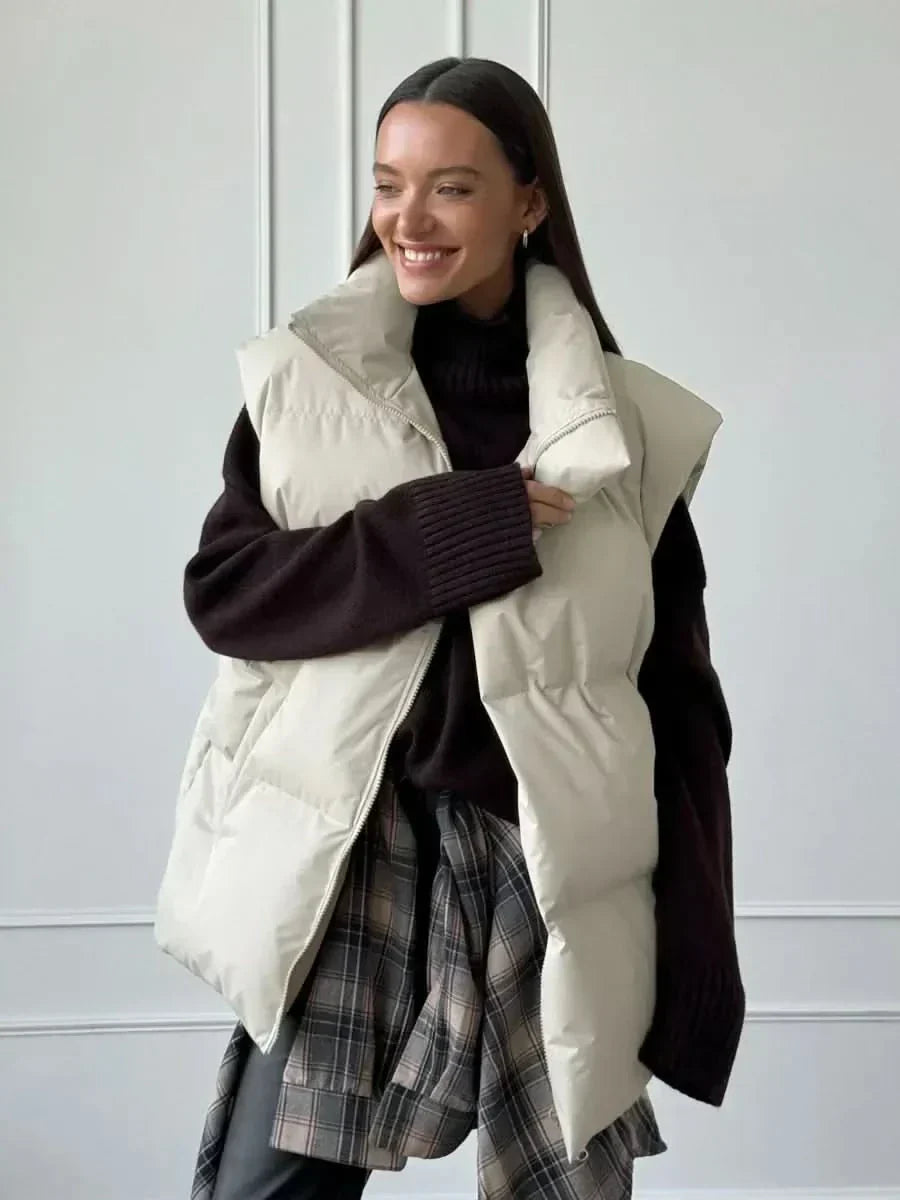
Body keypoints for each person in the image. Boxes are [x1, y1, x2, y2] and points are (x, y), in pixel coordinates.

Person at [155, 56, 744, 1200]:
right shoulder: (307, 390)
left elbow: (680, 704)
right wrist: (443, 532)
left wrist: (700, 938)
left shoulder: (623, 429)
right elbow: (228, 593)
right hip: (351, 844)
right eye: (389, 184)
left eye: (452, 188)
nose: (408, 219)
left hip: (546, 853)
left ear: (529, 205)